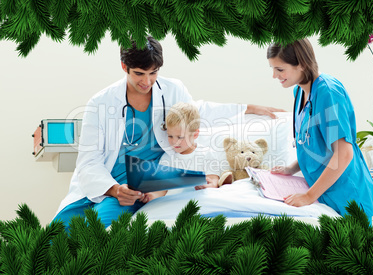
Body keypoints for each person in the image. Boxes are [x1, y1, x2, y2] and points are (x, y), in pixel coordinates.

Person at [53, 36, 284, 230]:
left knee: (96, 229)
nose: (147, 81)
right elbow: (88, 161)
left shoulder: (172, 90)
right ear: (124, 67)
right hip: (102, 182)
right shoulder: (100, 102)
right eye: (139, 74)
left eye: (153, 73)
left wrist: (249, 108)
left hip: (138, 185)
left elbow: (199, 110)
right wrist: (113, 189)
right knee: (53, 236)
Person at [267, 38, 373, 221]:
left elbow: (344, 154)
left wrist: (308, 196)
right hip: (322, 192)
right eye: (272, 69)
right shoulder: (299, 91)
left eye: (280, 69)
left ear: (303, 64)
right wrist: (291, 168)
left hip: (345, 195)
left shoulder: (328, 92)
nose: (274, 76)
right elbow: (311, 143)